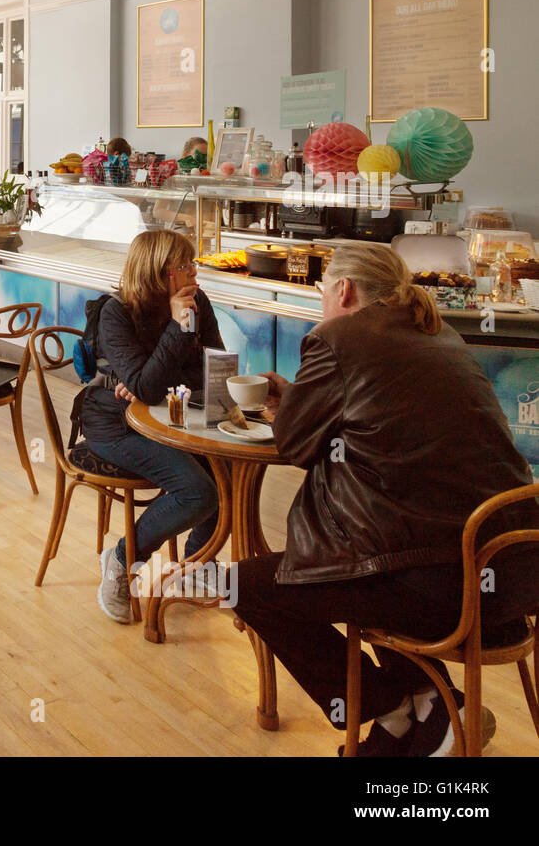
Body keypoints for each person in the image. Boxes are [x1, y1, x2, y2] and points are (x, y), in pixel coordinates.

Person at [233, 244, 539, 756]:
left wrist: (283, 407)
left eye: (322, 287)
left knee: (244, 585)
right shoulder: (441, 335)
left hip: (441, 587)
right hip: (512, 576)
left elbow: (296, 447)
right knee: (376, 554)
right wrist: (300, 402)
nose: (321, 299)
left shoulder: (336, 338)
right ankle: (421, 713)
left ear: (343, 290)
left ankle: (394, 706)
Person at [79, 229, 224, 623]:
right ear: (161, 273)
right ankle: (122, 559)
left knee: (228, 468)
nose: (195, 272)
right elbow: (145, 386)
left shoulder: (198, 301)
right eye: (186, 265)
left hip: (175, 418)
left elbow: (216, 369)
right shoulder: (117, 311)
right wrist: (177, 332)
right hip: (115, 424)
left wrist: (152, 383)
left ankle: (196, 562)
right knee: (197, 492)